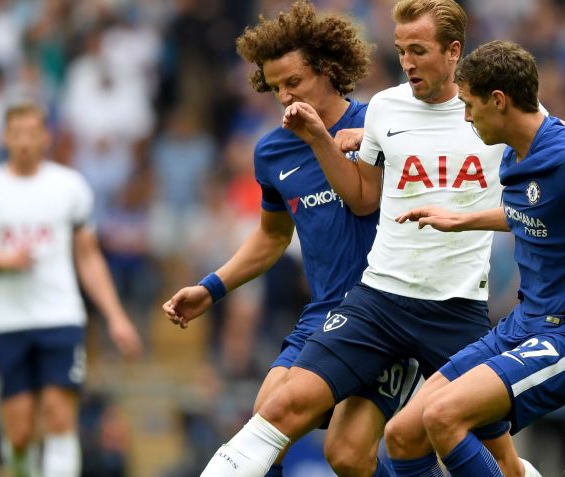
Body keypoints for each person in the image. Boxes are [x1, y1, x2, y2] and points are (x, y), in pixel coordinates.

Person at [198, 1, 565, 476]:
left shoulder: (492, 114)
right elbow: (362, 197)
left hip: (458, 308)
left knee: (483, 452)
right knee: (295, 415)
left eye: (418, 50)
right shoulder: (385, 109)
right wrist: (325, 140)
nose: (407, 62)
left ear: (453, 52)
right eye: (401, 50)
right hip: (380, 299)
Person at [389, 39, 565, 476]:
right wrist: (462, 220)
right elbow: (531, 210)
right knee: (402, 434)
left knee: (443, 417)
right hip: (522, 326)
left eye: (469, 105)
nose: (466, 116)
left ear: (498, 100)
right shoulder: (515, 151)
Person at [162, 3, 419, 476]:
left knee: (345, 454)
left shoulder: (376, 127)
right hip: (324, 313)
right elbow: (271, 236)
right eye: (274, 86)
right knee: (265, 421)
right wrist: (211, 288)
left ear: (327, 69)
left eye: (294, 81)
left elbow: (368, 202)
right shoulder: (272, 151)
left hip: (385, 314)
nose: (284, 96)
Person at [0, 102, 142, 477]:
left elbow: (88, 256)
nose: (24, 141)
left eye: (32, 133)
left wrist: (115, 316)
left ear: (46, 136)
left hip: (61, 316)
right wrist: (2, 260)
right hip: (9, 321)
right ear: (5, 137)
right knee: (19, 433)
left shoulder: (69, 186)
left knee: (59, 417)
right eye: (17, 133)